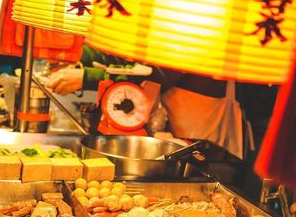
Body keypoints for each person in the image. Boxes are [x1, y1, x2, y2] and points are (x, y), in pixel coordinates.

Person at [47, 45, 251, 158]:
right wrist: (73, 52)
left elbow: (155, 74)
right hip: (164, 133)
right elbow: (127, 57)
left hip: (203, 145)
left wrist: (86, 77)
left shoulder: (190, 26)